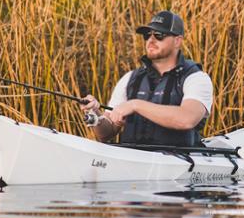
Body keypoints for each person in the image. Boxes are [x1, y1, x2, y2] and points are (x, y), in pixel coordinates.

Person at [80, 10, 213, 146]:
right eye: (147, 35)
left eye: (159, 35)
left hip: (175, 163)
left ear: (177, 41)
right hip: (133, 162)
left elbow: (187, 119)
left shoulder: (196, 78)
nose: (151, 40)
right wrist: (95, 115)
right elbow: (106, 134)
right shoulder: (130, 78)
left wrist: (135, 105)